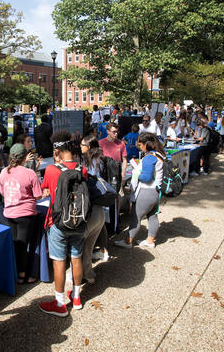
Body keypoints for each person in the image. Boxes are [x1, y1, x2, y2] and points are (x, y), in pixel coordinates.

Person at [39, 131, 87, 316]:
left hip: (58, 222)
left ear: (57, 150)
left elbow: (46, 190)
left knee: (59, 262)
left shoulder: (51, 170)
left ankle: (59, 304)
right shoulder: (82, 169)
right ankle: (76, 298)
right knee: (76, 258)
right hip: (79, 221)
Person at [0, 143, 43, 284]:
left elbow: (1, 191)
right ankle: (22, 274)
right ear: (25, 157)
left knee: (16, 244)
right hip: (26, 214)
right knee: (24, 245)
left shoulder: (4, 171)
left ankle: (17, 272)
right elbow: (38, 195)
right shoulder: (30, 173)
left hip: (9, 213)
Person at [115, 133, 164, 249]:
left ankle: (128, 241)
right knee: (152, 216)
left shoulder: (149, 158)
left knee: (135, 218)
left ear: (146, 144)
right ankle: (150, 240)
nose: (139, 146)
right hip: (156, 192)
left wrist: (135, 173)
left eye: (140, 144)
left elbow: (146, 177)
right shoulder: (159, 155)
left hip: (146, 192)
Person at [79, 134, 109, 266]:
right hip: (95, 196)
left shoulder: (96, 161)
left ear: (89, 146)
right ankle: (103, 249)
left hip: (95, 196)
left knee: (99, 223)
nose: (80, 147)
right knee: (100, 223)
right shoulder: (94, 158)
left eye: (82, 145)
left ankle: (102, 250)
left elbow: (93, 179)